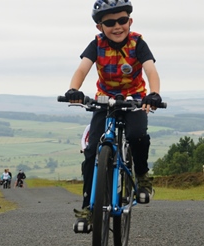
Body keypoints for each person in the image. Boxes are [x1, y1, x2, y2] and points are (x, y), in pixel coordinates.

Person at [64, 0, 162, 227]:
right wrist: (73, 89)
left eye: (122, 20)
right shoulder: (96, 44)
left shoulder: (138, 43)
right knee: (91, 152)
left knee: (138, 134)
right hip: (104, 100)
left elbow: (150, 69)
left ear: (130, 21)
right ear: (100, 27)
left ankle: (143, 178)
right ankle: (88, 208)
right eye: (110, 22)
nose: (117, 26)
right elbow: (82, 68)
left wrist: (154, 94)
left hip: (135, 99)